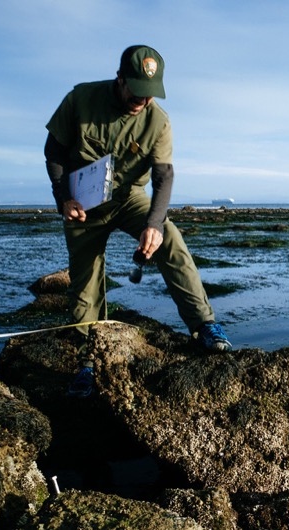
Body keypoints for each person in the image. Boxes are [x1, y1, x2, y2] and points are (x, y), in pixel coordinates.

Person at [44, 45, 232, 397]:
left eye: (150, 94)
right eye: (137, 92)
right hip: (82, 204)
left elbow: (163, 177)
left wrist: (154, 224)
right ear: (120, 79)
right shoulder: (81, 99)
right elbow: (53, 151)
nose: (142, 101)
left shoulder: (159, 121)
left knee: (170, 239)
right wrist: (63, 198)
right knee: (85, 283)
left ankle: (205, 325)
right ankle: (88, 361)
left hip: (129, 197)